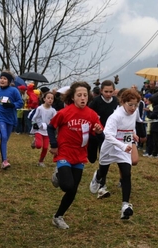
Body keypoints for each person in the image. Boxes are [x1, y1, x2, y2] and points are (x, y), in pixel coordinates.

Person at [47, 81, 103, 229]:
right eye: (79, 95)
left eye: (85, 95)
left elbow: (99, 137)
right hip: (65, 152)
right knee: (66, 186)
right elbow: (50, 127)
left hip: (80, 155)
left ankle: (58, 217)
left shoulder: (92, 115)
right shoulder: (65, 112)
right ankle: (59, 175)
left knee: (73, 190)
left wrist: (98, 132)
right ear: (72, 97)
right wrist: (53, 144)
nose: (83, 98)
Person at [90, 89, 142, 219]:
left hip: (124, 146)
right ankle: (97, 176)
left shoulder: (134, 112)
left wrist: (133, 134)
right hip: (110, 147)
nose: (133, 108)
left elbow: (131, 125)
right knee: (103, 171)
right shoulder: (115, 116)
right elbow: (108, 136)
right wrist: (122, 146)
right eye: (130, 105)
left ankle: (125, 205)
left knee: (126, 173)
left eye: (136, 105)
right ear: (123, 102)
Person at [0, 71, 24, 169]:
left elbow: (20, 103)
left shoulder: (14, 90)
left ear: (9, 81)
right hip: (0, 117)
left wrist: (12, 105)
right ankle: (4, 161)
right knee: (4, 138)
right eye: (1, 78)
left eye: (5, 79)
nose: (2, 80)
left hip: (11, 118)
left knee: (5, 139)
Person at [87, 80, 119, 163]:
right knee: (92, 158)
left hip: (108, 133)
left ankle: (101, 172)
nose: (108, 94)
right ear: (101, 91)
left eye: (111, 91)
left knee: (105, 156)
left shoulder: (116, 101)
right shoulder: (95, 101)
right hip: (95, 132)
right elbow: (88, 114)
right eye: (106, 91)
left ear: (114, 91)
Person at [31, 91, 57, 167]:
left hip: (47, 131)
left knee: (45, 147)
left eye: (52, 98)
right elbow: (34, 118)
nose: (50, 100)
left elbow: (55, 120)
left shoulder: (53, 110)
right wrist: (36, 124)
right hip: (39, 129)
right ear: (44, 99)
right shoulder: (40, 108)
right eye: (48, 98)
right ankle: (35, 141)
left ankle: (41, 161)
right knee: (39, 145)